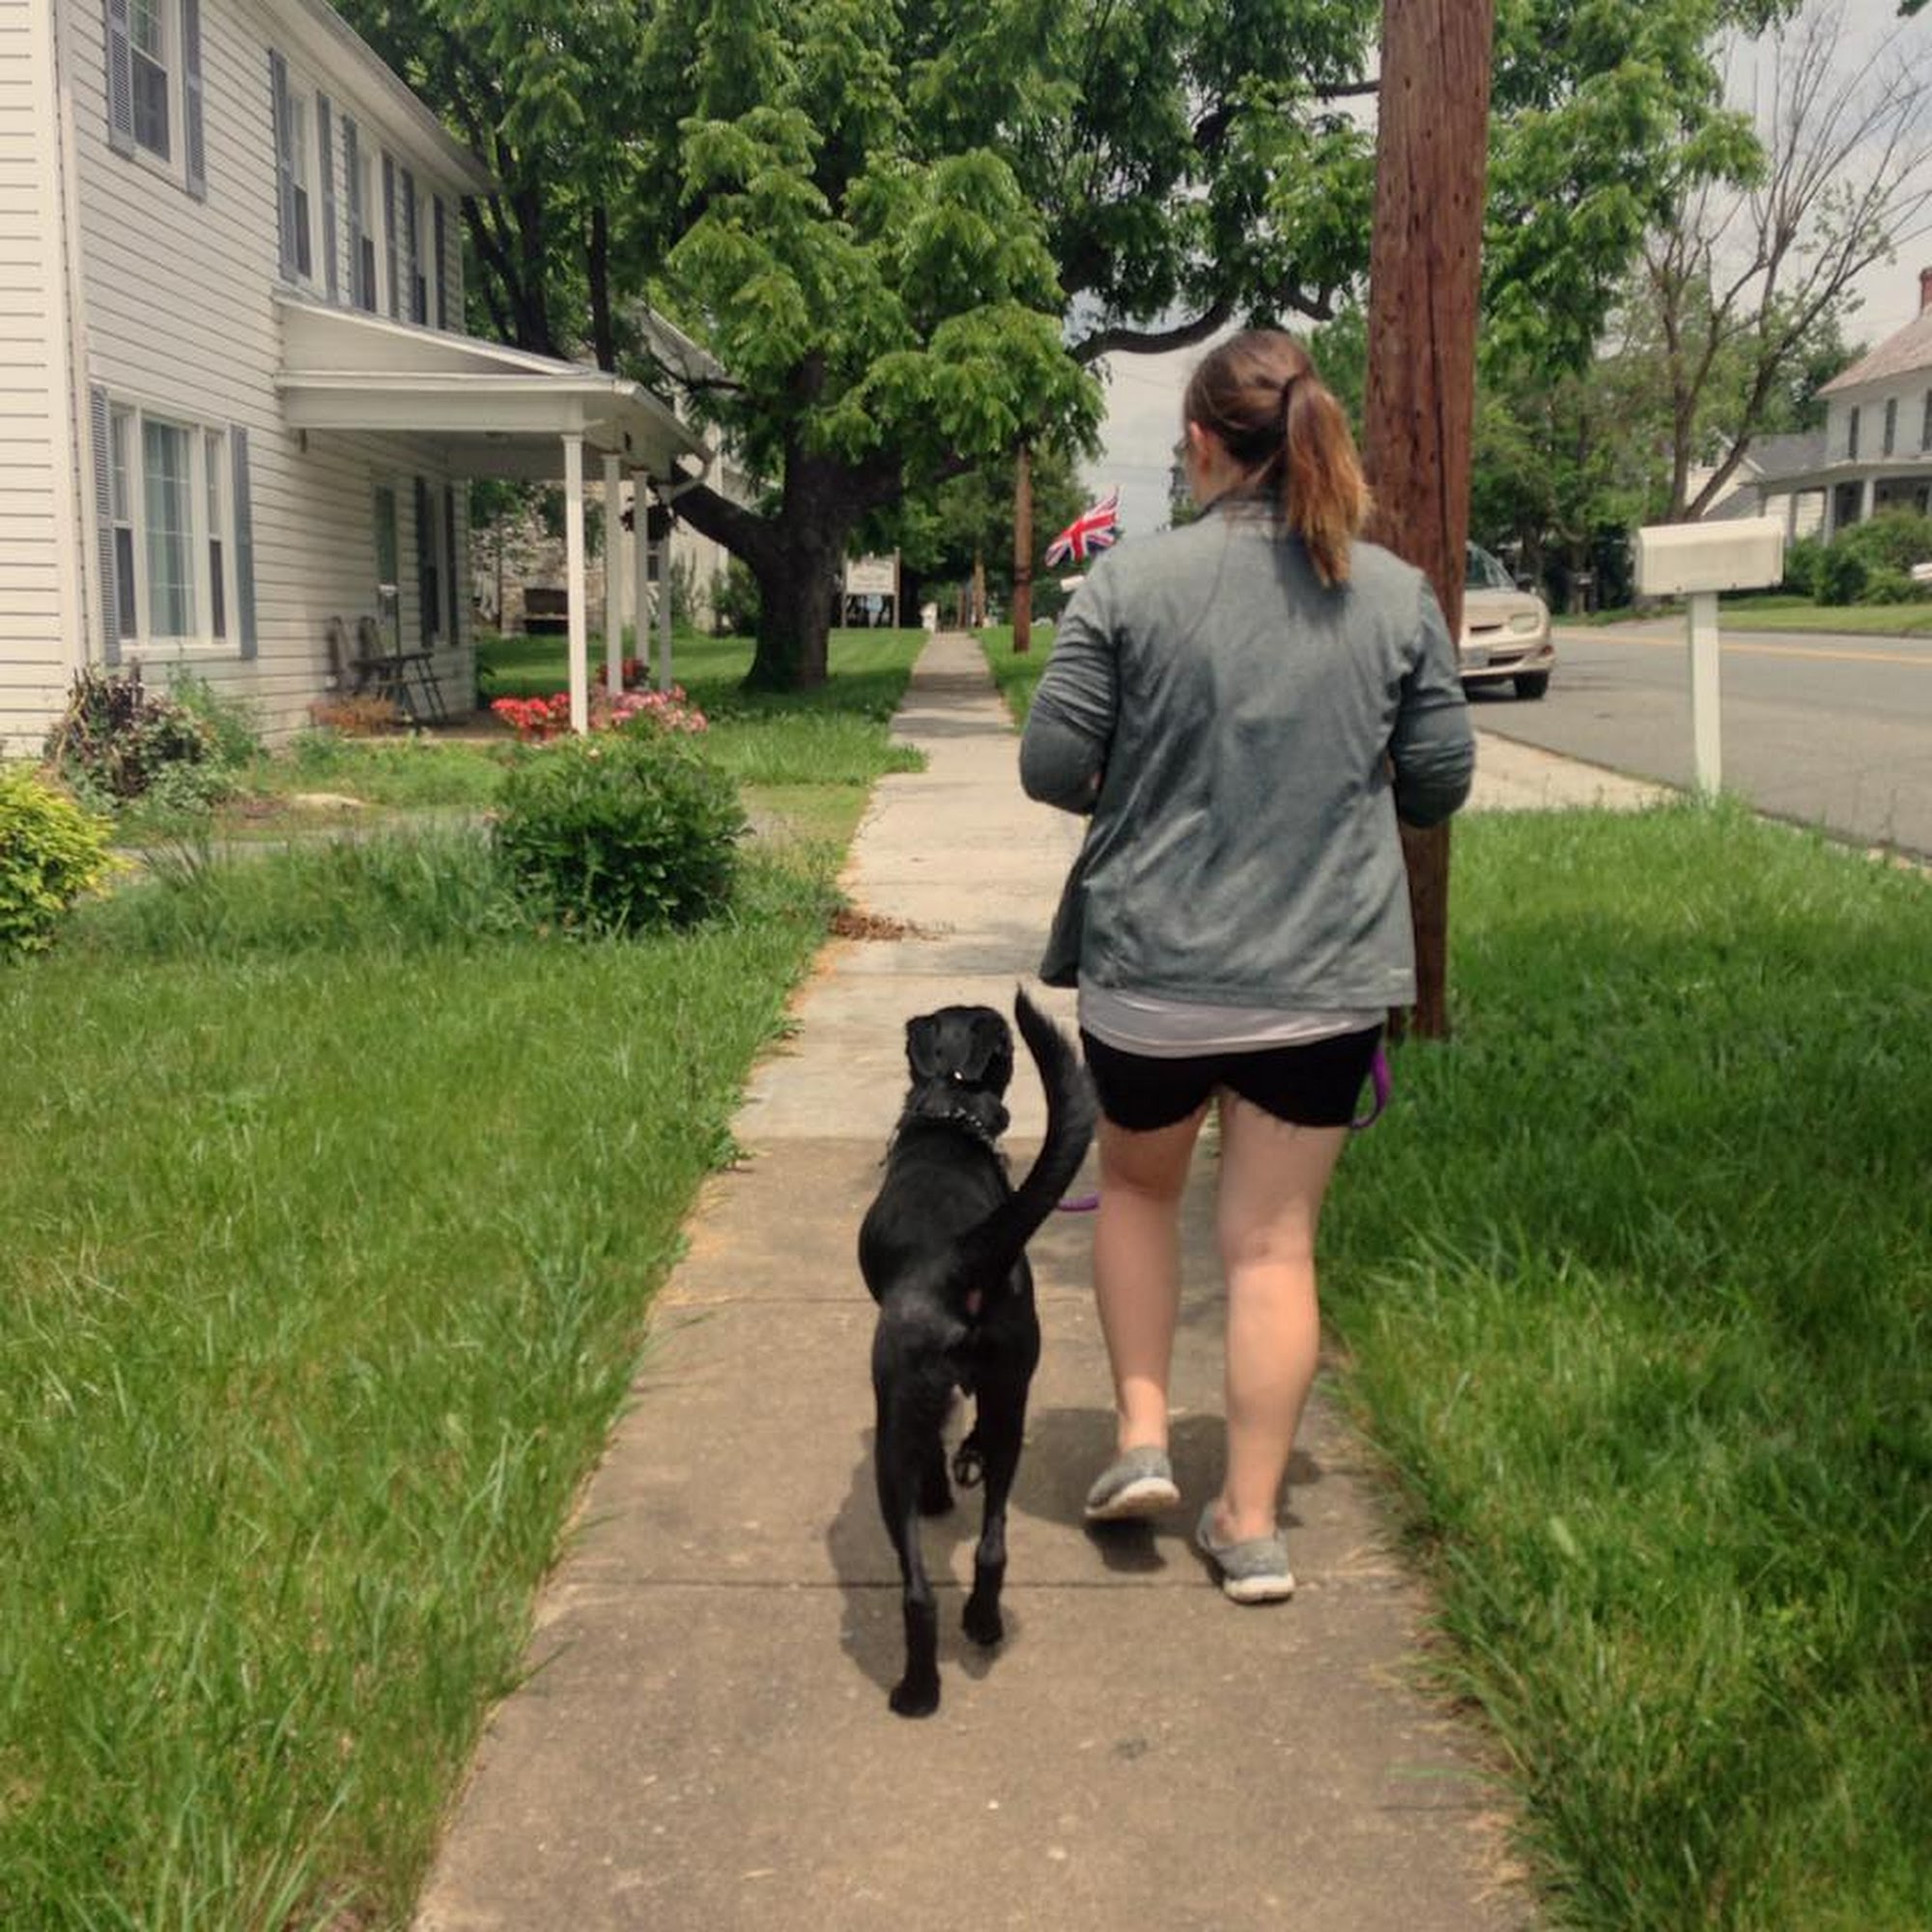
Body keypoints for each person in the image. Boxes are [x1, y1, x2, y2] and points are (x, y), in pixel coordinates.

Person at [1018, 328, 1475, 1604]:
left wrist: (1158, 787)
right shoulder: (1394, 596)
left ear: (1206, 446)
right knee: (1275, 1246)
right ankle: (1254, 1522)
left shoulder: (1123, 587)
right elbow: (1438, 784)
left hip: (1152, 978)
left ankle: (1143, 1442)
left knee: (1142, 1196)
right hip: (1320, 984)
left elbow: (1054, 767)